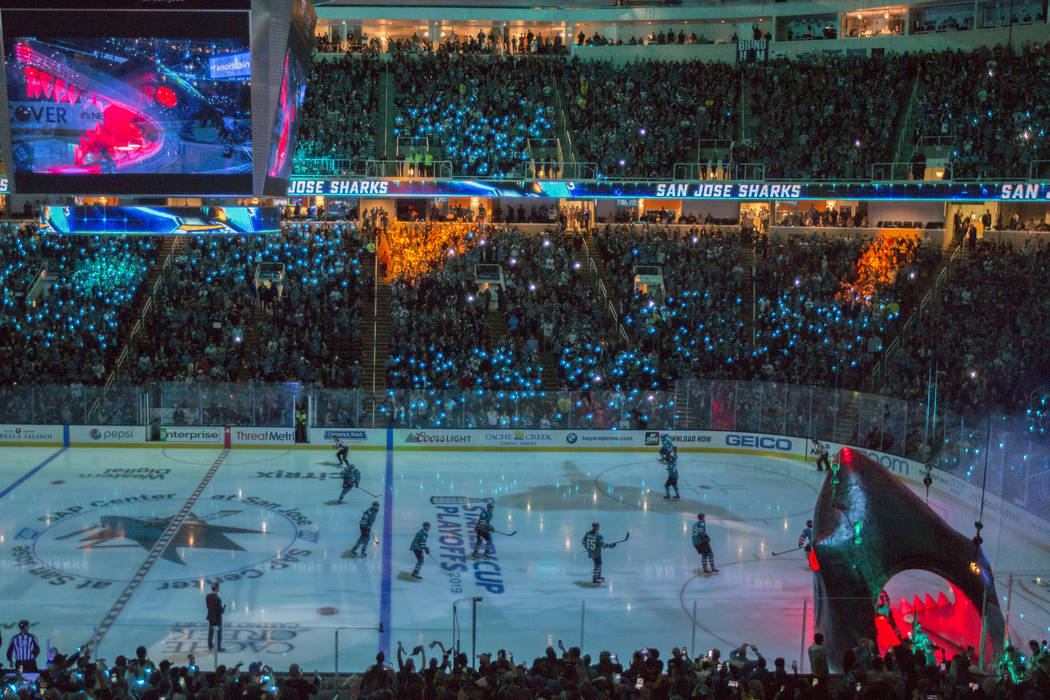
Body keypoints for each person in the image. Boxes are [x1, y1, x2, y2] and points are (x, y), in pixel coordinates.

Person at [206, 583, 226, 651]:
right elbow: (220, 611)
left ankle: (210, 645)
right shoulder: (218, 599)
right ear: (216, 588)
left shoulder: (208, 597)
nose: (219, 588)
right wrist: (223, 609)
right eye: (219, 587)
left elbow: (209, 607)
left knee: (211, 633)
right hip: (217, 621)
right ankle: (218, 647)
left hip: (211, 619)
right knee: (218, 633)